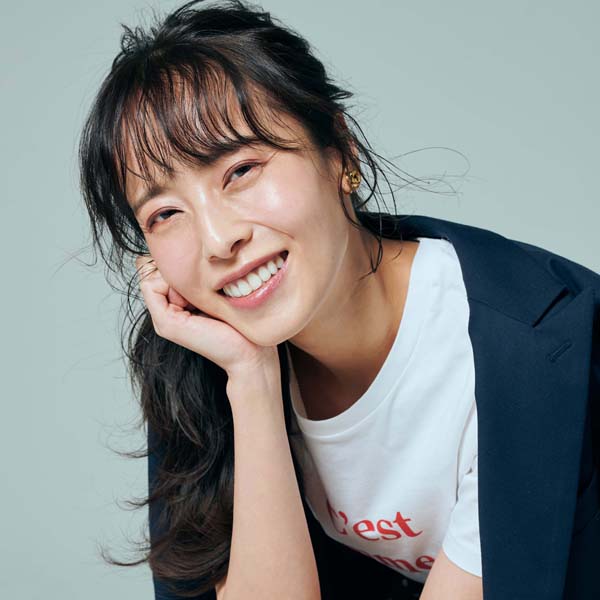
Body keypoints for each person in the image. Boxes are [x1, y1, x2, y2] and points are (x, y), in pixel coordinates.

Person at [77, 1, 600, 598]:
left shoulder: (525, 354)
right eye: (166, 213)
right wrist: (250, 379)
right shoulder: (206, 360)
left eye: (241, 170)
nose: (218, 240)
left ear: (340, 154)